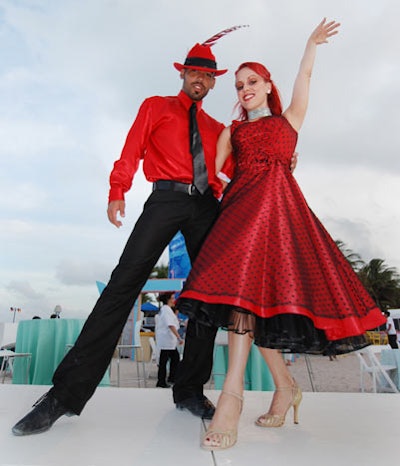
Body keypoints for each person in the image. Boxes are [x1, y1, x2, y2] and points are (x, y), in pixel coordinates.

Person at [11, 30, 235, 436]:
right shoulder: (156, 106)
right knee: (122, 287)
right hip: (164, 199)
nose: (199, 80)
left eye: (207, 76)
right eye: (193, 73)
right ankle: (63, 396)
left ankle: (189, 389)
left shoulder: (218, 127)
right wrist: (118, 190)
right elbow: (131, 149)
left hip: (206, 206)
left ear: (214, 82)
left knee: (208, 297)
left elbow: (235, 167)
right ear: (183, 74)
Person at [178, 18, 386, 450]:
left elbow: (305, 77)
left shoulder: (290, 118)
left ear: (268, 85)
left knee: (253, 304)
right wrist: (232, 180)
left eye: (251, 81)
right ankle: (277, 388)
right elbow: (214, 171)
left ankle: (238, 396)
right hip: (243, 211)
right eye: (238, 86)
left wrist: (311, 45)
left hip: (280, 216)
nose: (244, 89)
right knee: (246, 301)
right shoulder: (233, 131)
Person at [155, 293, 183, 387]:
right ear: (167, 299)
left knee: (174, 358)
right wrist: (179, 337)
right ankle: (162, 381)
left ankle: (170, 378)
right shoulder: (166, 310)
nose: (173, 300)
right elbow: (170, 325)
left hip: (169, 341)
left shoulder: (167, 310)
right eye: (172, 298)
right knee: (166, 360)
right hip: (166, 341)